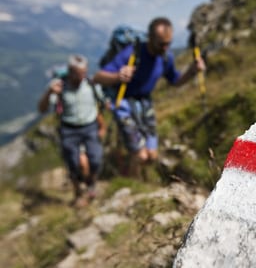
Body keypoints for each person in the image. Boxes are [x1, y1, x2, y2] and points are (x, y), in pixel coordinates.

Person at [93, 17, 206, 175]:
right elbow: (97, 77)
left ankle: (131, 173)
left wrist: (192, 71)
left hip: (146, 104)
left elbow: (176, 80)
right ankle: (133, 185)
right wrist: (117, 76)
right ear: (150, 38)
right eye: (161, 43)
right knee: (140, 154)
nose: (166, 47)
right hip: (124, 103)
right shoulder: (132, 53)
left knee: (152, 156)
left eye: (169, 43)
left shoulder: (166, 57)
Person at [38, 54, 106, 207]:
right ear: (70, 71)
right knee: (73, 163)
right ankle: (79, 193)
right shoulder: (59, 87)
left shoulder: (91, 84)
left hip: (90, 126)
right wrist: (49, 92)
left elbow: (99, 105)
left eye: (84, 72)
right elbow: (42, 109)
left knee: (95, 159)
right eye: (78, 73)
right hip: (69, 129)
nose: (82, 76)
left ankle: (91, 184)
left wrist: (102, 125)